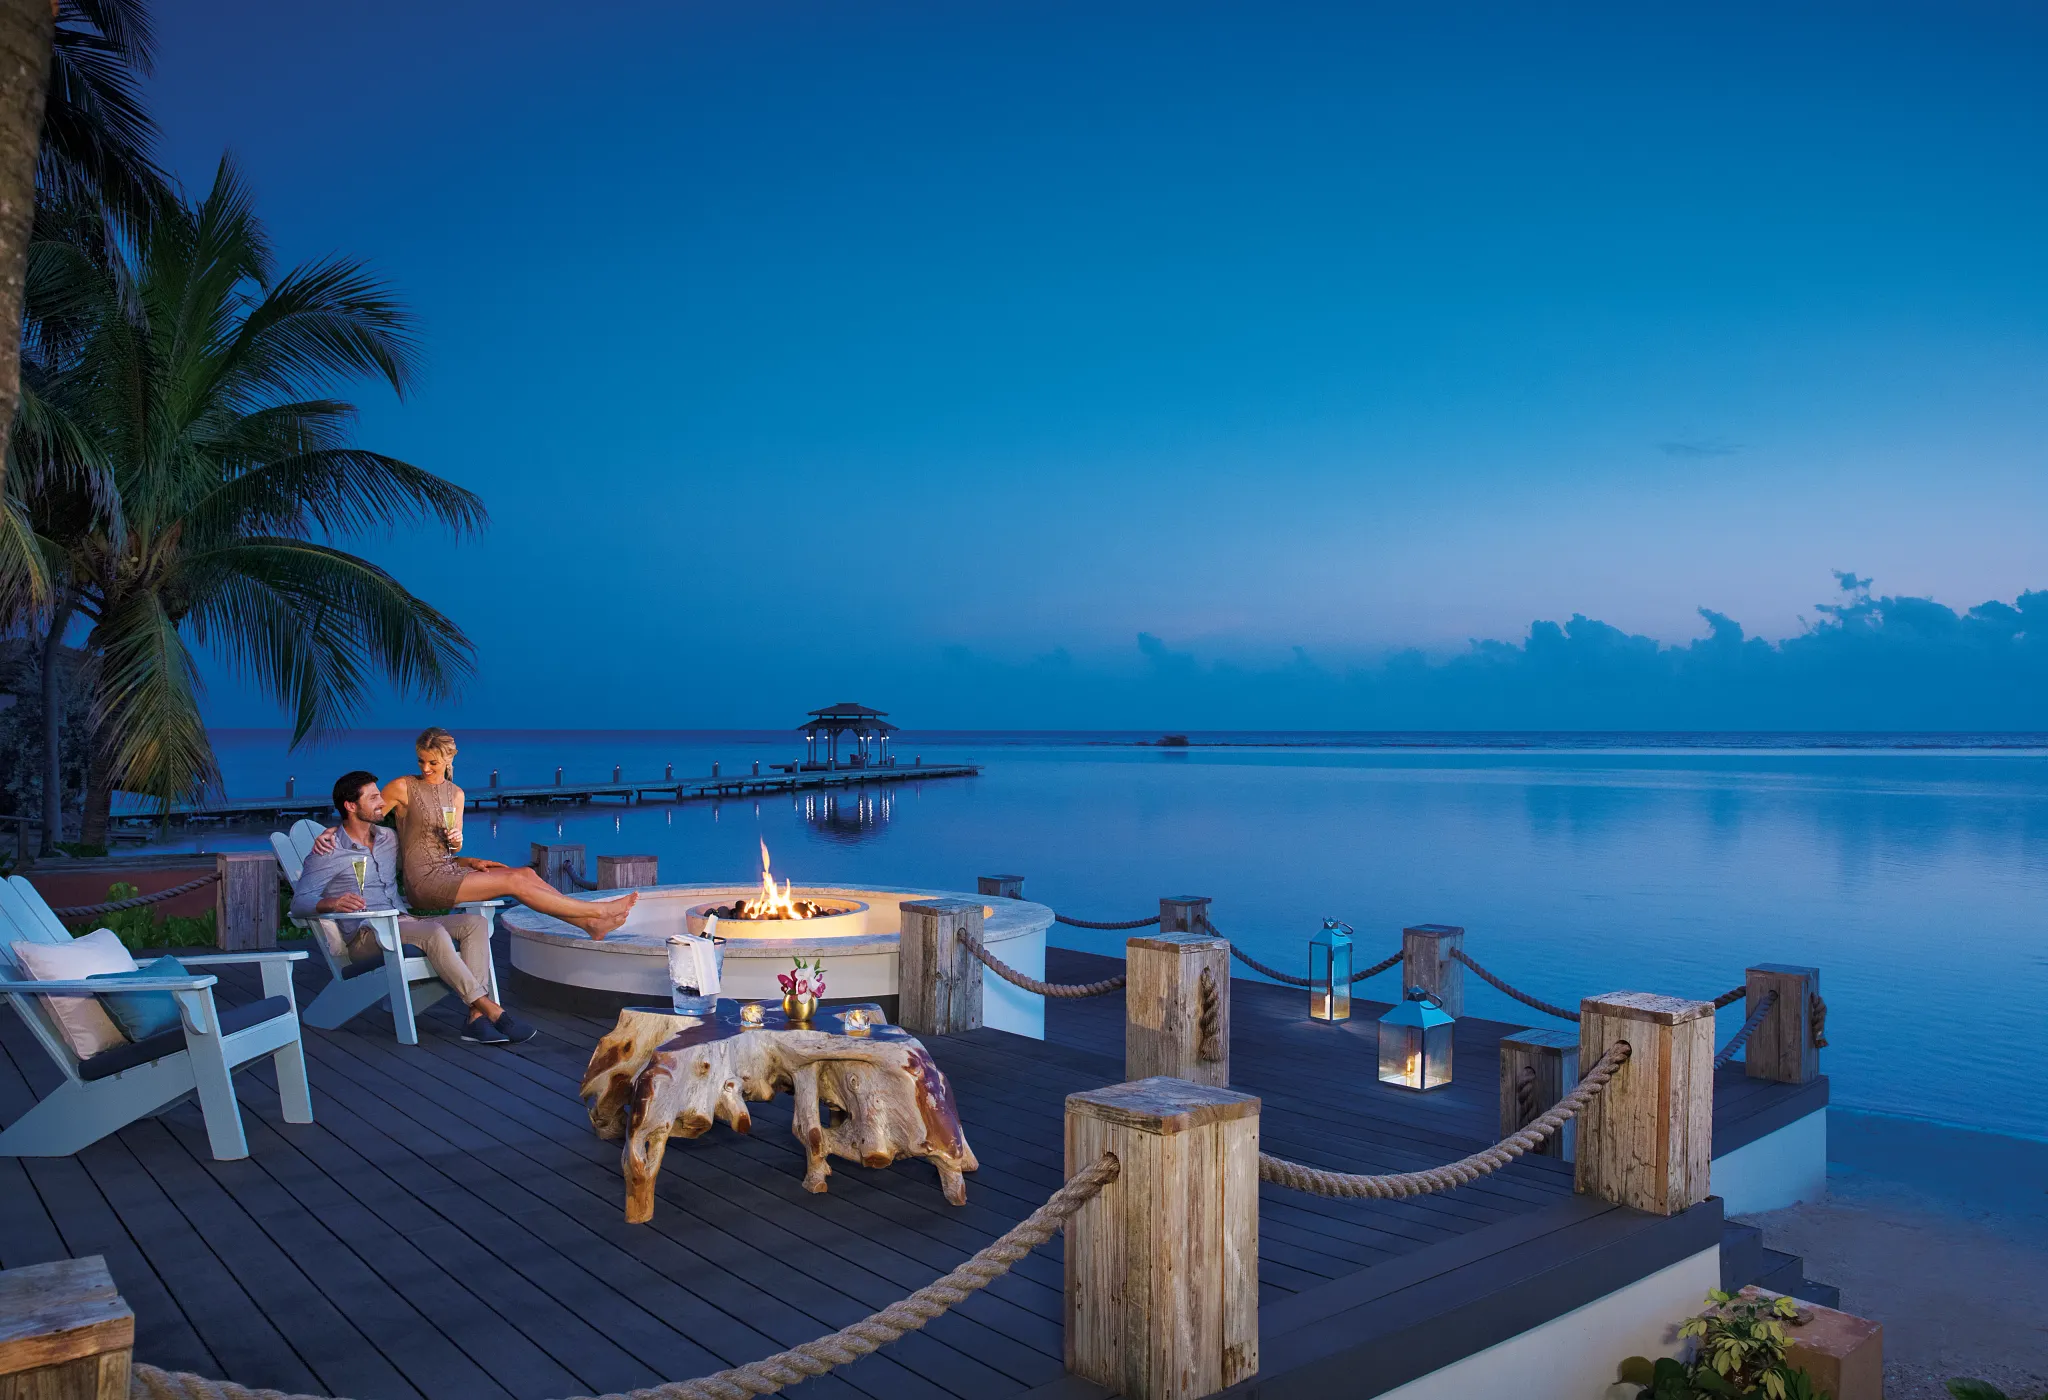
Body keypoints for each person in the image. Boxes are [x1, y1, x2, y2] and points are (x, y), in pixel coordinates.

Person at [311, 727, 636, 939]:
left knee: (522, 872)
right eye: (421, 761)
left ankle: (589, 924)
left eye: (432, 763)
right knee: (512, 881)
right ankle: (596, 911)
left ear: (448, 759)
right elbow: (368, 811)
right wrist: (333, 830)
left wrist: (463, 853)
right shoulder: (403, 787)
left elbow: (449, 848)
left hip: (449, 870)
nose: (425, 768)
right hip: (424, 882)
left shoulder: (457, 795)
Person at [293, 770, 537, 1045]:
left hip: (405, 922)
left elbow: (424, 863)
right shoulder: (329, 851)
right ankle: (493, 1011)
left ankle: (475, 1019)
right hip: (366, 937)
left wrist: (467, 863)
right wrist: (333, 903)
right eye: (373, 797)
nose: (382, 802)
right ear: (350, 806)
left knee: (474, 924)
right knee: (433, 932)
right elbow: (299, 902)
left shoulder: (388, 838)